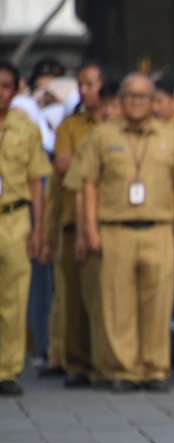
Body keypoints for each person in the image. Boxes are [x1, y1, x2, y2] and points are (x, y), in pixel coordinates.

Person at [70, 73, 174, 393]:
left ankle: (155, 368)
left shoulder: (171, 136)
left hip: (159, 229)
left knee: (159, 302)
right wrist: (89, 230)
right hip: (115, 229)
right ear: (119, 100)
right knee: (117, 301)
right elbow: (88, 184)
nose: (136, 102)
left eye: (143, 96)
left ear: (154, 101)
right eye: (130, 96)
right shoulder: (102, 135)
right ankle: (123, 368)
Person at [44, 62, 105, 388]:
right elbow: (65, 168)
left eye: (91, 84)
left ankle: (105, 362)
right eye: (81, 84)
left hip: (110, 219)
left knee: (105, 297)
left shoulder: (117, 124)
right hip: (71, 219)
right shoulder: (70, 126)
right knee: (72, 297)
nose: (85, 90)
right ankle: (77, 362)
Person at [0, 62, 51, 397]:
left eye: (5, 85)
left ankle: (7, 369)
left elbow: (37, 182)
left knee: (14, 296)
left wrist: (38, 229)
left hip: (14, 216)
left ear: (16, 88)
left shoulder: (26, 126)